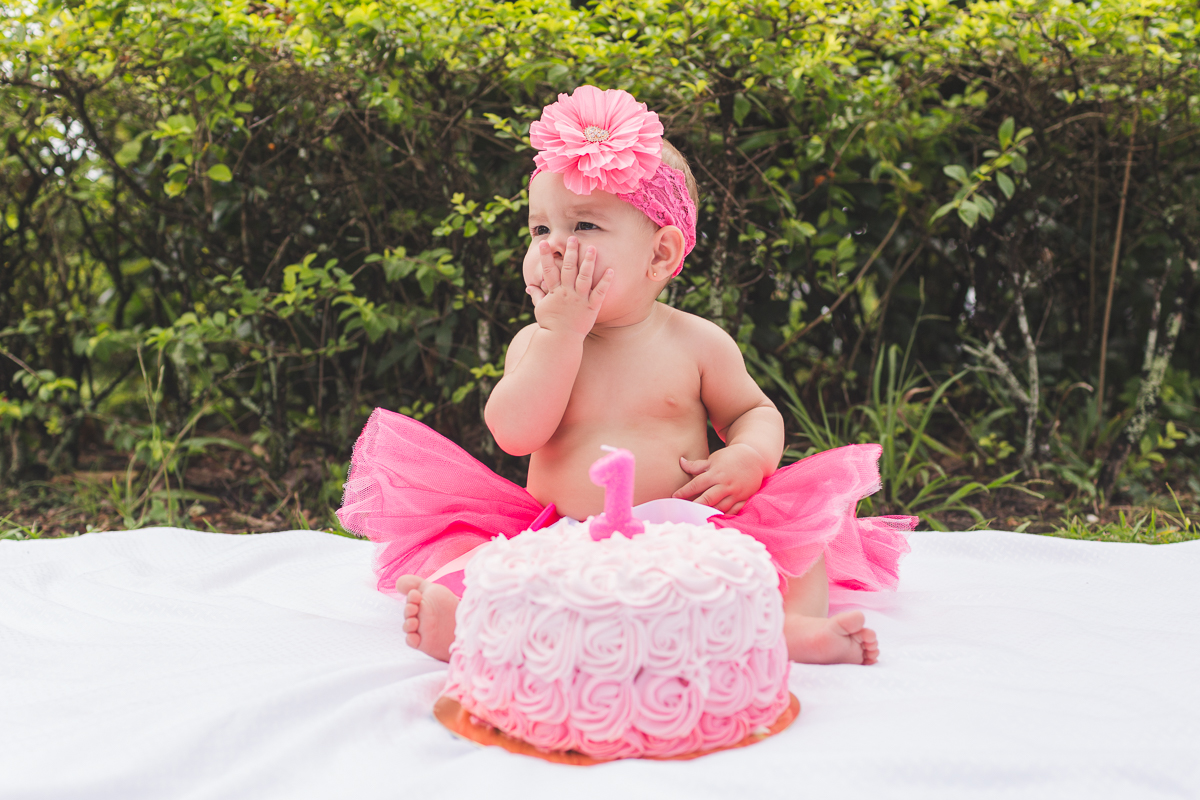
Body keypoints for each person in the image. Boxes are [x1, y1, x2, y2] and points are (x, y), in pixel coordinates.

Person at [337, 85, 913, 668]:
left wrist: (749, 457)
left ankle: (791, 626)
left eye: (583, 226)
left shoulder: (696, 342)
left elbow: (753, 412)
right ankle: (463, 623)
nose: (555, 246)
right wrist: (561, 335)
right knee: (481, 565)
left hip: (683, 530)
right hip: (559, 533)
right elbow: (514, 434)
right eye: (540, 230)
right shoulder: (537, 342)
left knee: (801, 538)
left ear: (660, 255)